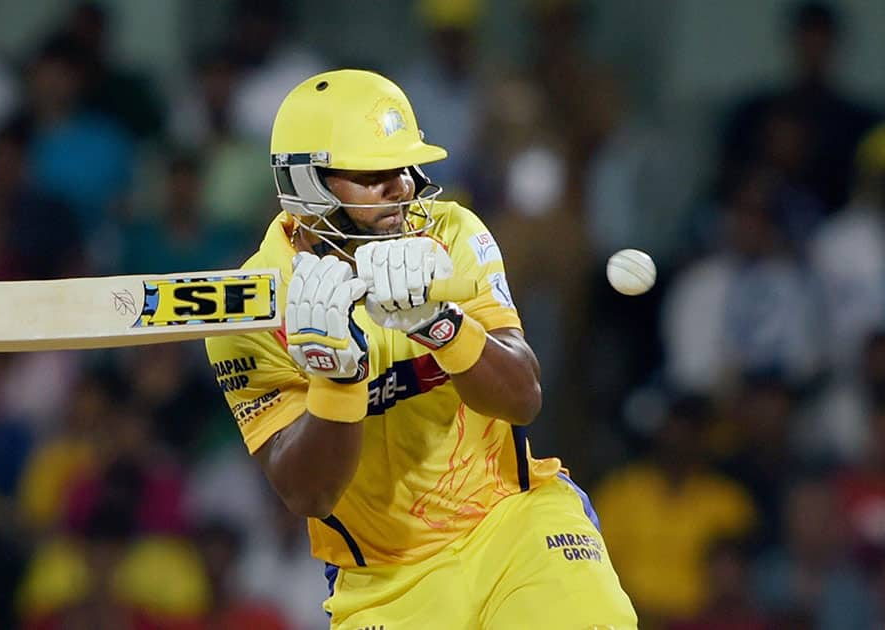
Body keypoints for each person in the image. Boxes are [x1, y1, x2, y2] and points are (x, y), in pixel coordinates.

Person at [204, 69, 637, 629]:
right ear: (307, 185)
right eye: (376, 175)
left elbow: (523, 398)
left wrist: (438, 323)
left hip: (514, 524)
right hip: (384, 580)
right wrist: (337, 381)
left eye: (407, 167)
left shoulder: (451, 232)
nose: (404, 186)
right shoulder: (251, 311)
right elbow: (307, 493)